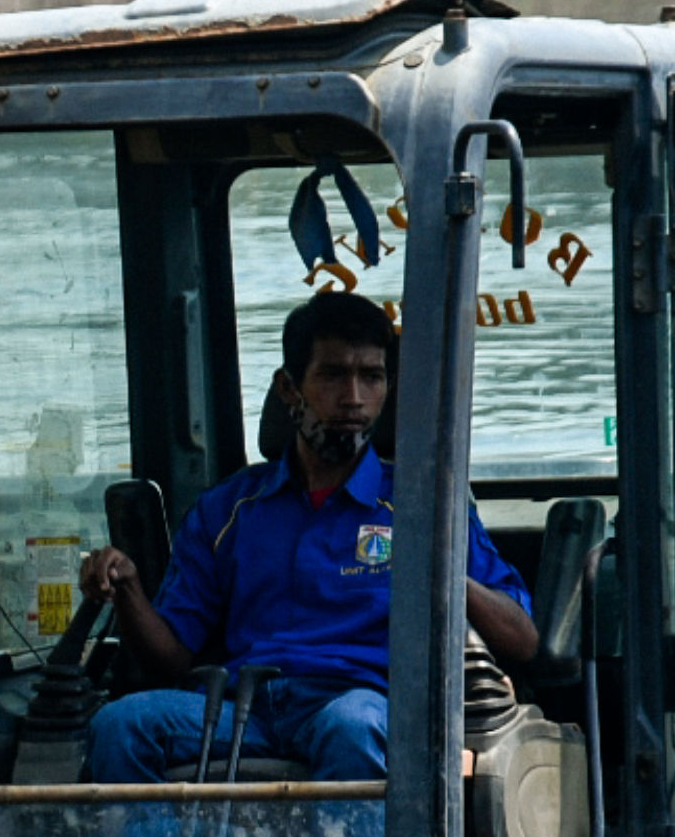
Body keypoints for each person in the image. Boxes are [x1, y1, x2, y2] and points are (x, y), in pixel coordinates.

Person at [80, 287, 538, 786]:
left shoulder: (423, 506)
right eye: (333, 375)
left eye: (372, 377)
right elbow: (170, 658)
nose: (355, 398)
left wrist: (446, 575)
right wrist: (126, 588)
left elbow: (523, 642)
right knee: (119, 726)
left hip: (362, 702)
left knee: (352, 727)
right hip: (243, 709)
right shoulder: (229, 510)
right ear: (288, 389)